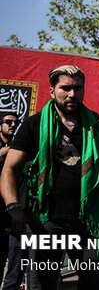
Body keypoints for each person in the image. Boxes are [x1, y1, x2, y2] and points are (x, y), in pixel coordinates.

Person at [0, 65, 99, 290]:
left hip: (86, 222)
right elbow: (9, 170)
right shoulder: (33, 124)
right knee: (42, 286)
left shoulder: (96, 125)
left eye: (77, 88)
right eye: (65, 88)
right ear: (51, 91)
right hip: (45, 221)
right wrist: (13, 206)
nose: (72, 94)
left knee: (98, 284)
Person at [0, 112, 25, 290]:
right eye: (9, 122)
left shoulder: (19, 149)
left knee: (16, 265)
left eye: (16, 122)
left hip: (15, 213)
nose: (13, 125)